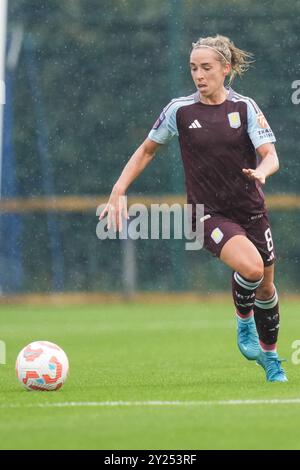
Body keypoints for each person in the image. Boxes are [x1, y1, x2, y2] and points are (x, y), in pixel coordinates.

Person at [100, 34, 287, 383]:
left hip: (251, 210)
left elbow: (271, 155)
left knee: (266, 289)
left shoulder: (245, 107)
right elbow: (146, 151)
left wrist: (262, 171)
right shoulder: (180, 110)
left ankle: (272, 359)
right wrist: (118, 188)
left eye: (206, 68)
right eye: (193, 68)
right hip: (209, 213)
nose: (199, 75)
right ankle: (243, 320)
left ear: (225, 69)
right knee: (252, 269)